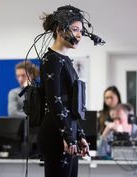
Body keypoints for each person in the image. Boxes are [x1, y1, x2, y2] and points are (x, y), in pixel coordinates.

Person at [38, 5, 90, 177]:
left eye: (81, 31)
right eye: (75, 30)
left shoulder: (65, 60)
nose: (79, 35)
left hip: (68, 133)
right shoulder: (51, 59)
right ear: (60, 29)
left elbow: (71, 106)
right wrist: (68, 136)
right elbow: (55, 102)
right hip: (57, 134)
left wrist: (79, 135)